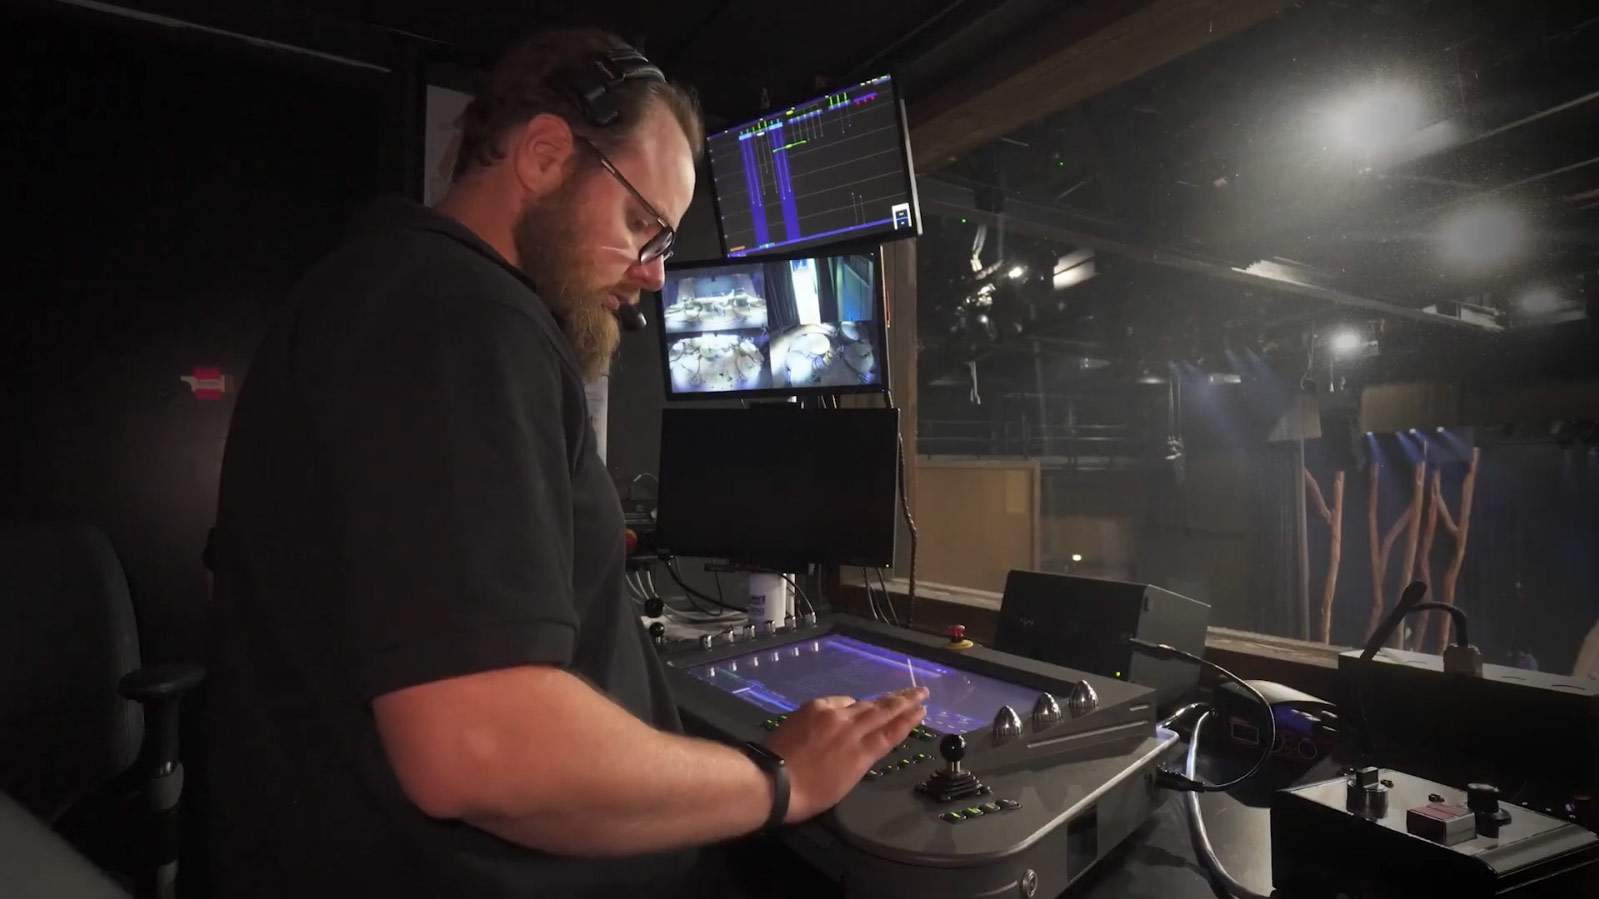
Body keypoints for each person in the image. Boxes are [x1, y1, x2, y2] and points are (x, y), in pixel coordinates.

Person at [202, 27, 927, 899]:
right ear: (545, 155)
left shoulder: (376, 289)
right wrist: (782, 780)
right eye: (641, 225)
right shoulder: (461, 316)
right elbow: (481, 747)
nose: (654, 276)